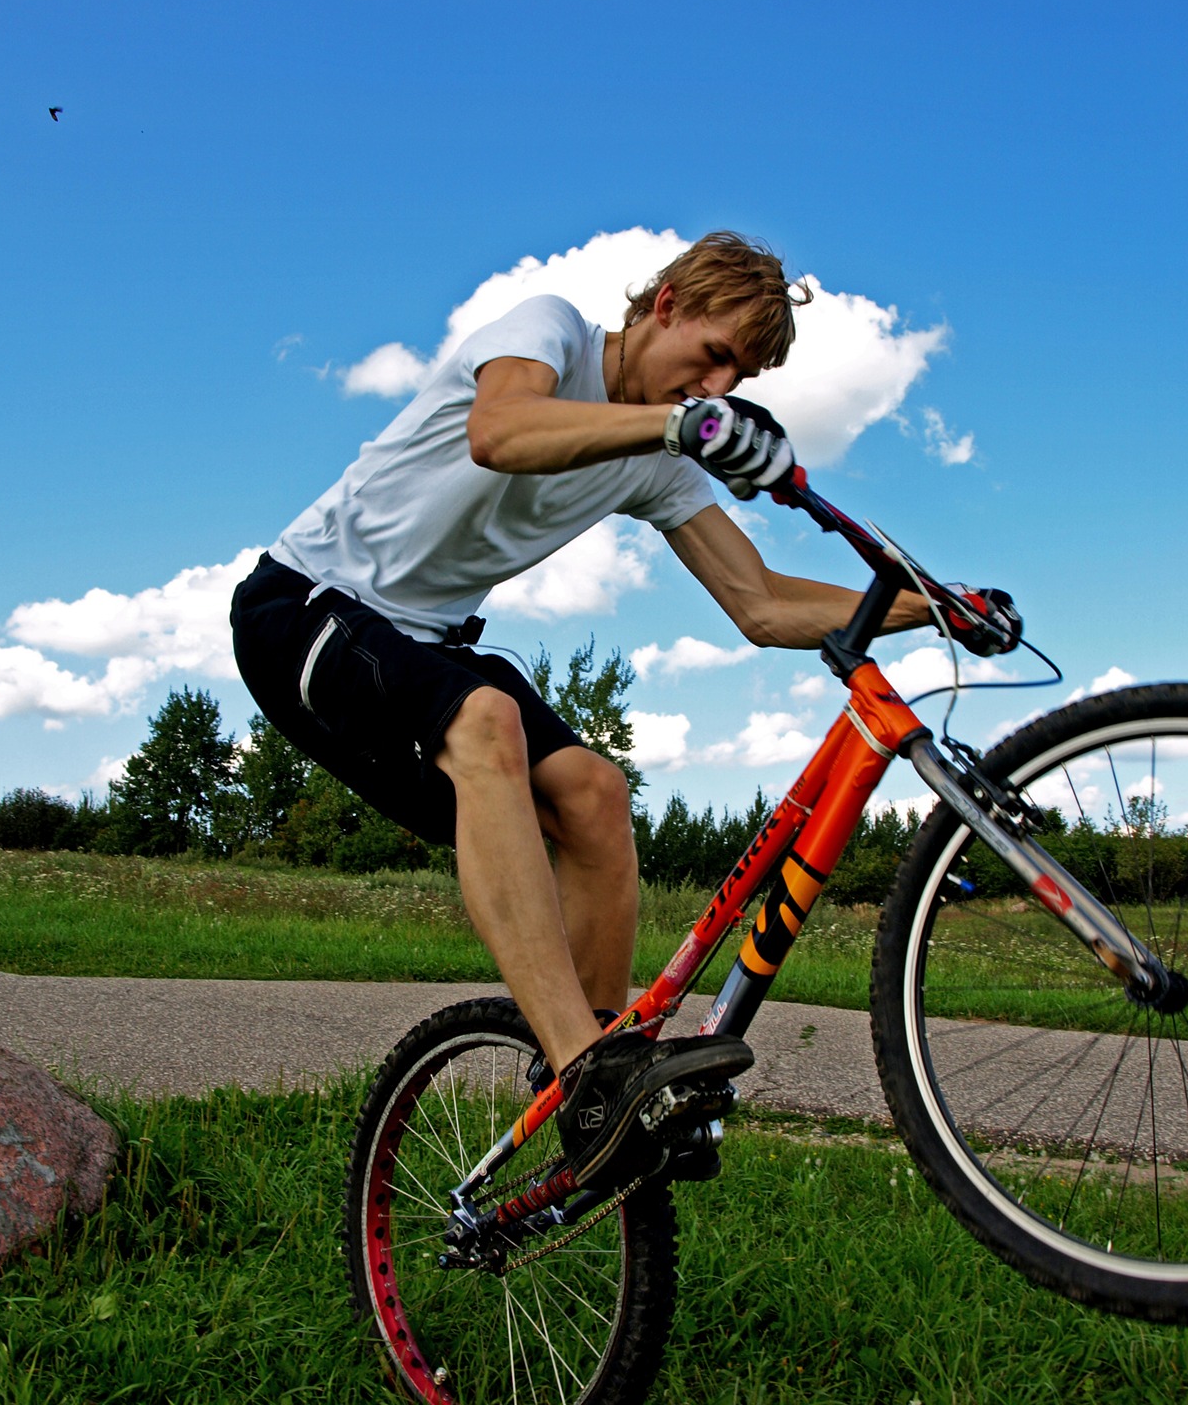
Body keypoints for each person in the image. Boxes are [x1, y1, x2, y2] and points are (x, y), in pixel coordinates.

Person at [231, 233, 1023, 1189]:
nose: (717, 386)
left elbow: (763, 604)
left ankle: (593, 1097)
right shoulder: (552, 334)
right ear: (667, 304)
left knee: (597, 796)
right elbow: (503, 433)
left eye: (739, 376)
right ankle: (585, 1062)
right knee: (487, 720)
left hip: (418, 645)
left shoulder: (660, 456)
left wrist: (936, 606)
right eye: (715, 354)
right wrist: (671, 431)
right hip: (304, 609)